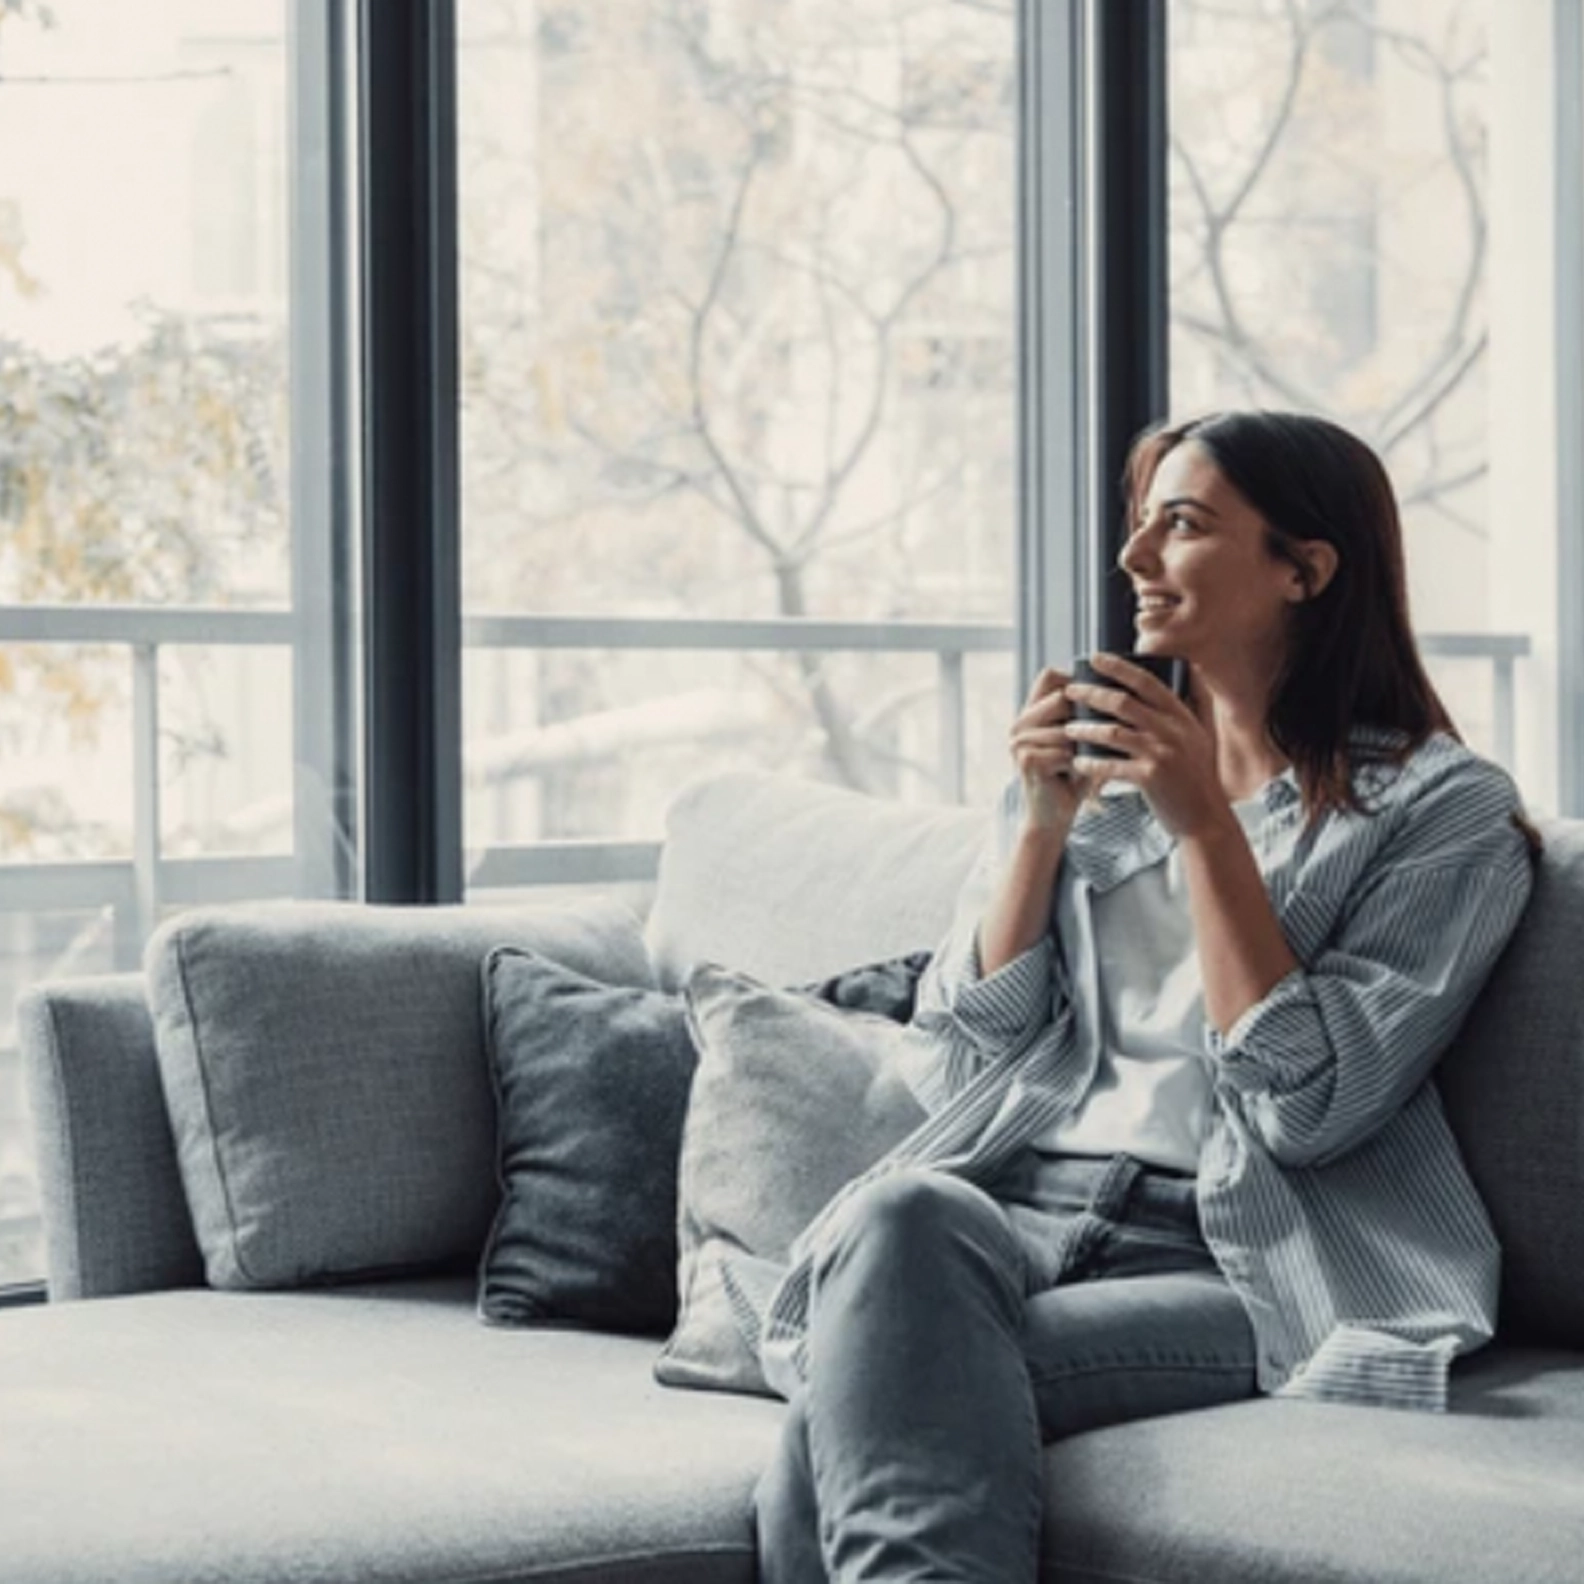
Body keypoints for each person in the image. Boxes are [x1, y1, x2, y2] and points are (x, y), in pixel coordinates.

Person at [746, 410, 1544, 1583]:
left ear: (1305, 569)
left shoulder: (1443, 813)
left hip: (1235, 1255)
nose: (1132, 561)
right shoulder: (1099, 787)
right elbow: (956, 1074)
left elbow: (1310, 1104)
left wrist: (1205, 824)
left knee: (835, 1417)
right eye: (1141, 525)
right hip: (1004, 1217)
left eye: (1181, 526)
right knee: (903, 1212)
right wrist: (1035, 831)